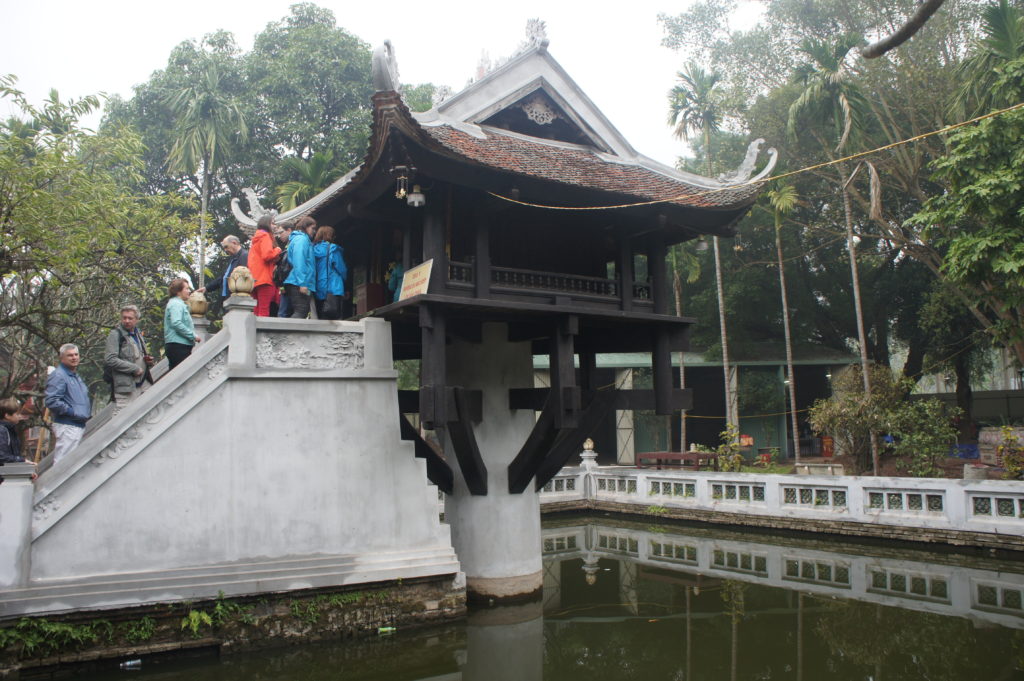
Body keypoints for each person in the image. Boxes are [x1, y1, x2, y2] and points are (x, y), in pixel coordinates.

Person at [44, 344, 92, 463]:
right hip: (68, 425)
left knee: (71, 463)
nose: (74, 357)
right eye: (70, 355)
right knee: (63, 463)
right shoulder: (59, 375)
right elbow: (52, 400)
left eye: (76, 354)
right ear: (61, 358)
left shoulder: (74, 375)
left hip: (77, 424)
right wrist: (72, 412)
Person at [104, 305, 154, 412]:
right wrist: (134, 368)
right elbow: (110, 359)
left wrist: (148, 361)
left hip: (143, 383)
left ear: (137, 320)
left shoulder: (137, 333)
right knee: (122, 417)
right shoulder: (115, 334)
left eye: (130, 318)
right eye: (124, 318)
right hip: (125, 387)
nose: (126, 321)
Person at [164, 278, 202, 370]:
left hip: (179, 345)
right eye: (186, 289)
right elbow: (176, 323)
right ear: (178, 291)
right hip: (178, 346)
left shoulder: (178, 303)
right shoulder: (176, 304)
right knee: (180, 375)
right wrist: (193, 335)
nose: (189, 291)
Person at [283, 216, 317, 318]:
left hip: (296, 281)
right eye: (312, 228)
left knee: (302, 311)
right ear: (305, 227)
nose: (314, 232)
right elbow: (299, 261)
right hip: (298, 282)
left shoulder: (300, 239)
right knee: (301, 311)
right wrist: (303, 283)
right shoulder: (301, 239)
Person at [249, 215, 282, 317]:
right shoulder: (265, 236)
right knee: (264, 310)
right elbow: (267, 255)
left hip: (255, 279)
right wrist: (278, 250)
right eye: (272, 223)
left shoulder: (256, 239)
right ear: (266, 224)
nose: (275, 226)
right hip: (265, 278)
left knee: (256, 309)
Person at [197, 235, 249, 299]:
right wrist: (207, 288)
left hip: (238, 298)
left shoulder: (244, 256)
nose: (225, 250)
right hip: (227, 298)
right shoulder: (232, 259)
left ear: (234, 243)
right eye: (224, 248)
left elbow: (244, 277)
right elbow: (223, 278)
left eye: (226, 247)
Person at [313, 225, 347, 320]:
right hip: (334, 287)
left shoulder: (313, 249)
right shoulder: (333, 249)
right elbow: (341, 268)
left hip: (319, 288)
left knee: (321, 317)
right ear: (330, 235)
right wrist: (346, 282)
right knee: (336, 318)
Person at [0, 398, 30, 465]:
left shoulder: (10, 429)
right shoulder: (2, 431)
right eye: (17, 414)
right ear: (7, 416)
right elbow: (1, 456)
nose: (20, 416)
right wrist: (21, 460)